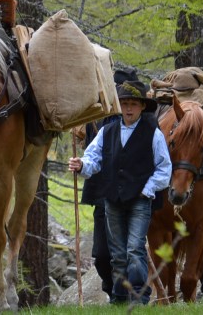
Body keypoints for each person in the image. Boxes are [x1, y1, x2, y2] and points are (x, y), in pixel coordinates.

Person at [68, 80, 171, 305]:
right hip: (112, 199)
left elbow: (164, 168)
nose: (129, 108)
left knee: (135, 248)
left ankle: (139, 295)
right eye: (124, 103)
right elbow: (93, 158)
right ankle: (120, 296)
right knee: (117, 253)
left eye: (134, 104)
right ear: (119, 106)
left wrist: (147, 189)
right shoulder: (107, 131)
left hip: (140, 201)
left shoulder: (153, 133)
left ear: (142, 106)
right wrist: (81, 165)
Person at [70, 68, 139, 302]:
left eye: (130, 100)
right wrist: (81, 165)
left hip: (134, 198)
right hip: (104, 197)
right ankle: (112, 290)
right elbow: (92, 155)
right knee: (101, 255)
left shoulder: (144, 123)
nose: (125, 105)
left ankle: (129, 296)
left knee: (130, 252)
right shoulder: (95, 119)